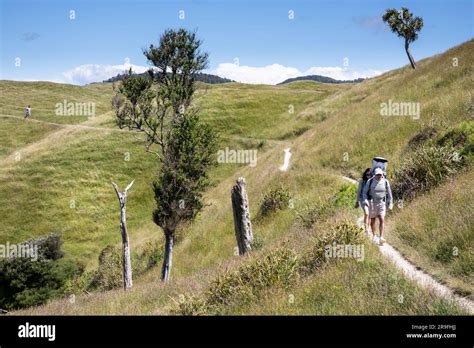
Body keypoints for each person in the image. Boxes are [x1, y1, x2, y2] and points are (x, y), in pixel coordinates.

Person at [362, 167, 393, 245]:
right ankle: (374, 235)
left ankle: (381, 237)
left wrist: (391, 204)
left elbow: (389, 194)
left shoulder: (385, 182)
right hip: (372, 203)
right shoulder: (370, 181)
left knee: (382, 219)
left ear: (382, 174)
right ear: (375, 175)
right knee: (372, 221)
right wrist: (365, 200)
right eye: (377, 175)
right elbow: (364, 193)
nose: (379, 176)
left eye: (380, 175)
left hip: (381, 203)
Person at [354, 168, 372, 234]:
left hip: (371, 199)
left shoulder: (373, 181)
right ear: (365, 174)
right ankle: (366, 229)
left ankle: (368, 227)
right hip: (363, 199)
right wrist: (357, 201)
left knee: (370, 215)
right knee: (366, 213)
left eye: (370, 174)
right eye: (367, 174)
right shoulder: (362, 180)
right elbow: (359, 191)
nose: (369, 176)